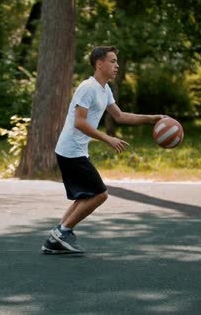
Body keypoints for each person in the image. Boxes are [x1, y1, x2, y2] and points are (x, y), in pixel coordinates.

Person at [41, 46, 166, 254]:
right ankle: (62, 231)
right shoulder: (88, 87)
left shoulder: (104, 89)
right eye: (113, 61)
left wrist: (152, 119)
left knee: (86, 196)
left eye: (117, 62)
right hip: (70, 151)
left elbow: (120, 116)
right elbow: (79, 123)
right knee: (100, 194)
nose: (117, 66)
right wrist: (107, 138)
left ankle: (56, 237)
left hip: (76, 151)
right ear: (100, 64)